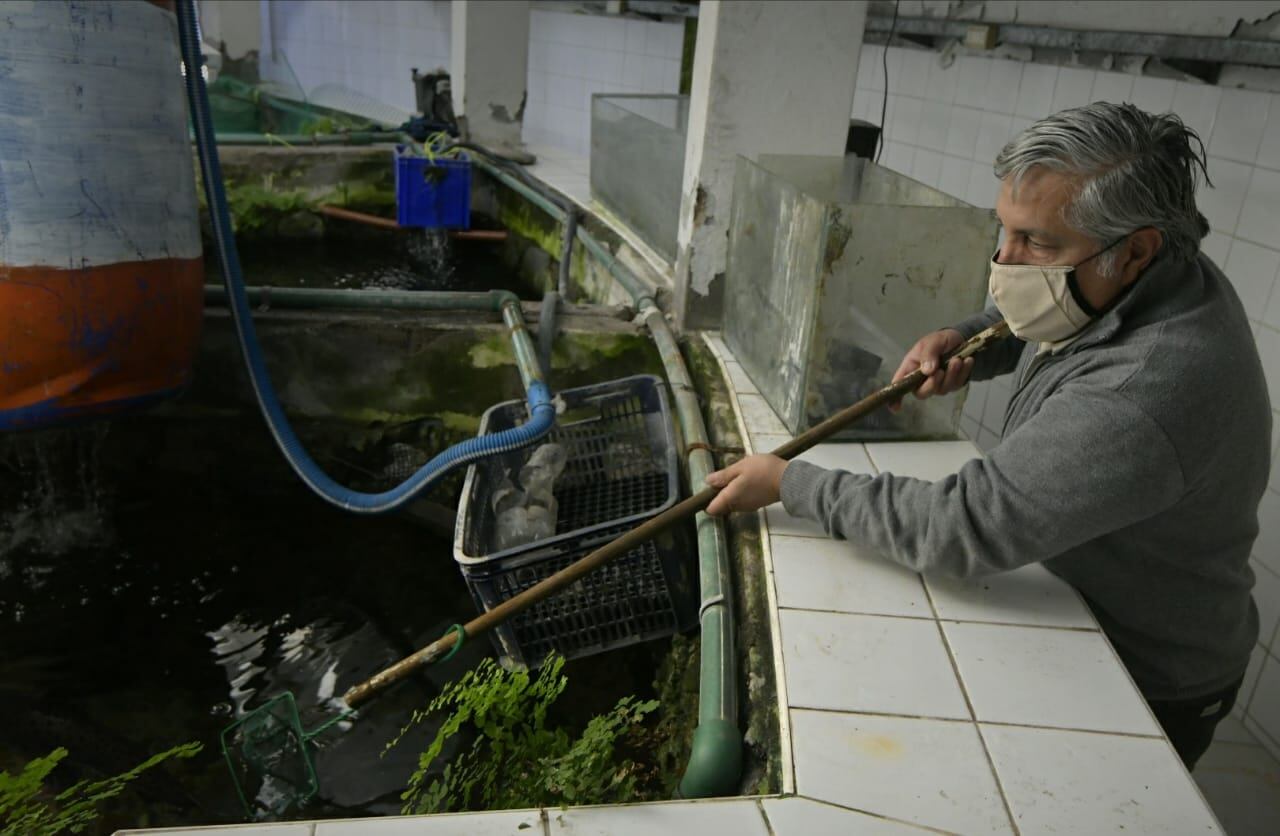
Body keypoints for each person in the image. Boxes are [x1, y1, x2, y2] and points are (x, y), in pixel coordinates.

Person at [704, 102, 1272, 770]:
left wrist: (789, 482)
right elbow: (1082, 319)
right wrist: (975, 337)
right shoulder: (1162, 275)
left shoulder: (1147, 392)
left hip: (1147, 668)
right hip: (1084, 597)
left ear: (1138, 248)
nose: (1006, 262)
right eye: (1003, 233)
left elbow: (962, 527)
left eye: (1038, 243)